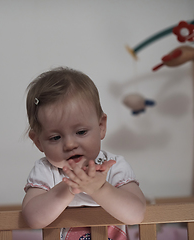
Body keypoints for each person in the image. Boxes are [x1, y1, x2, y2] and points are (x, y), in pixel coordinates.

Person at [22, 67, 146, 240]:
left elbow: (137, 214)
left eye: (81, 132)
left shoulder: (114, 165)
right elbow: (33, 218)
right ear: (38, 141)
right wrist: (70, 187)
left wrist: (100, 188)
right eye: (56, 137)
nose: (70, 144)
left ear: (101, 126)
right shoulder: (45, 170)